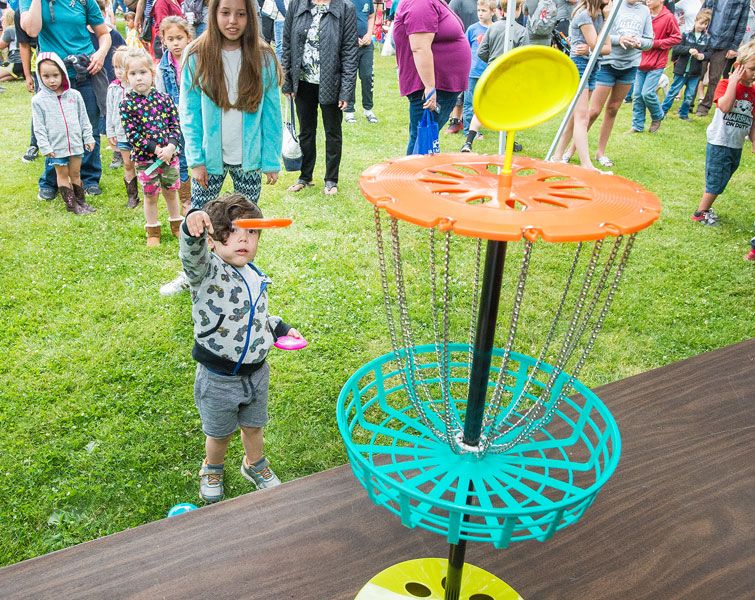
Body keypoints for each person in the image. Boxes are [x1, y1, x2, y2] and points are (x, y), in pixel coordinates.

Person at [179, 194, 303, 503]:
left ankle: (254, 464)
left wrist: (281, 329)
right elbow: (192, 258)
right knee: (219, 432)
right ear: (213, 238)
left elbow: (259, 316)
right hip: (218, 377)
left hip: (256, 373)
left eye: (251, 231)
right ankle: (213, 467)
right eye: (233, 231)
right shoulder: (207, 273)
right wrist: (191, 226)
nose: (243, 239)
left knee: (253, 426)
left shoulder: (256, 275)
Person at [160, 0, 282, 295]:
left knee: (245, 220)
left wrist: (270, 159)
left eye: (240, 14)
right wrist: (197, 160)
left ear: (250, 17)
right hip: (209, 159)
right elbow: (188, 112)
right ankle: (193, 273)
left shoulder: (263, 56)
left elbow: (272, 111)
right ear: (212, 13)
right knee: (198, 217)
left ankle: (241, 275)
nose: (232, 21)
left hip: (249, 159)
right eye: (225, 12)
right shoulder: (196, 54)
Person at [20, 0, 111, 199]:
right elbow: (32, 30)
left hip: (85, 71)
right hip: (51, 74)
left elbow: (104, 34)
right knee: (54, 130)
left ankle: (89, 179)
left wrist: (101, 54)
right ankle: (51, 181)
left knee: (89, 127)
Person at [281, 0, 358, 196]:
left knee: (333, 132)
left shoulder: (345, 7)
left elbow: (349, 51)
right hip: (302, 80)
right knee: (306, 131)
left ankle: (331, 180)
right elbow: (287, 42)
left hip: (331, 81)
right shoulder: (297, 4)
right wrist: (287, 80)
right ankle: (305, 177)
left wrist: (346, 90)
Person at [564, 0, 653, 166]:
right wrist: (620, 39)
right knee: (592, 111)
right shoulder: (610, 7)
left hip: (630, 64)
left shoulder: (644, 11)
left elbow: (650, 40)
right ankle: (570, 150)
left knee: (613, 109)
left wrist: (640, 42)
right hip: (606, 63)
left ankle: (600, 153)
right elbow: (599, 36)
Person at [120, 47, 183, 246]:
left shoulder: (164, 100)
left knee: (171, 192)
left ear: (152, 74)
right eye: (133, 74)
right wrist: (156, 150)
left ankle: (176, 226)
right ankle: (153, 230)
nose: (139, 78)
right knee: (150, 195)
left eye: (143, 72)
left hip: (170, 158)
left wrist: (171, 147)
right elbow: (133, 135)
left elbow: (175, 125)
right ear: (126, 77)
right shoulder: (127, 104)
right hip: (146, 161)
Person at [392, 0, 471, 155]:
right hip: (431, 86)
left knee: (425, 138)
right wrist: (430, 88)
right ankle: (414, 177)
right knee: (422, 138)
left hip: (440, 84)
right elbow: (420, 48)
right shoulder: (420, 3)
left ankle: (420, 175)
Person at [691, 38, 754, 225]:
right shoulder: (726, 84)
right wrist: (734, 81)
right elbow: (725, 106)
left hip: (736, 144)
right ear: (738, 66)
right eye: (752, 69)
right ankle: (700, 212)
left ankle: (706, 208)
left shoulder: (753, 91)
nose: (754, 74)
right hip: (720, 141)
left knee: (724, 177)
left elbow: (753, 120)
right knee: (717, 180)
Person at [32, 52, 96, 214]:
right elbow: (38, 127)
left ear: (63, 73)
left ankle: (80, 201)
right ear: (39, 76)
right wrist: (45, 147)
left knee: (75, 173)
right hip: (56, 146)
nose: (52, 80)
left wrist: (87, 136)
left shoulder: (74, 96)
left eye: (55, 75)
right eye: (46, 76)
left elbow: (83, 118)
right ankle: (71, 204)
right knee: (62, 174)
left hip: (75, 142)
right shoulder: (38, 100)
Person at [552, 0, 612, 170]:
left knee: (575, 117)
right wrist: (594, 45)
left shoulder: (600, 14)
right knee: (582, 117)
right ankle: (586, 165)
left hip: (593, 66)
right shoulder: (584, 15)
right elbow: (599, 45)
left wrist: (592, 48)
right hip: (579, 66)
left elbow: (608, 49)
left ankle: (556, 156)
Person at [462, 0, 528, 153]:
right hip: (510, 76)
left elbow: (481, 52)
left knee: (481, 107)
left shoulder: (492, 28)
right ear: (517, 9)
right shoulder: (522, 31)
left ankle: (468, 142)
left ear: (501, 10)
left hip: (491, 73)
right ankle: (508, 142)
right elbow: (524, 58)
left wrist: (492, 62)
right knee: (509, 110)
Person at [156, 15, 192, 212]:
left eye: (179, 38)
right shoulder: (162, 67)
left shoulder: (195, 58)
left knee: (200, 154)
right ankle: (186, 199)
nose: (176, 43)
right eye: (171, 39)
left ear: (188, 37)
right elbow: (161, 96)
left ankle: (204, 193)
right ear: (164, 40)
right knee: (183, 157)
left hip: (195, 116)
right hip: (175, 120)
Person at [630, 0, 680, 133]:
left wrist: (655, 43)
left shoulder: (668, 17)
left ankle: (658, 115)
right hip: (640, 59)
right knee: (637, 95)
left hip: (657, 62)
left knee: (647, 93)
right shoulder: (643, 14)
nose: (648, 1)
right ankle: (637, 126)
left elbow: (676, 38)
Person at [696, 0, 749, 116]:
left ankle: (704, 107)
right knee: (697, 73)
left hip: (724, 43)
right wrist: (697, 34)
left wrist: (734, 47)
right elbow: (701, 13)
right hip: (705, 39)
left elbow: (742, 24)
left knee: (714, 78)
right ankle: (687, 104)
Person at [106, 46, 140, 209]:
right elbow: (110, 110)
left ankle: (149, 191)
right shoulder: (112, 88)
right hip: (122, 134)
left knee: (143, 164)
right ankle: (132, 196)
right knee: (128, 164)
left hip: (139, 135)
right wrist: (110, 132)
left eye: (122, 67)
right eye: (115, 67)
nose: (118, 71)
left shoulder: (137, 87)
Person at [661, 8, 711, 119]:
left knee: (689, 95)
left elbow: (709, 53)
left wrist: (702, 56)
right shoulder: (685, 34)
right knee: (673, 92)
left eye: (705, 24)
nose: (702, 26)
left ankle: (683, 114)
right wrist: (688, 50)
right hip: (681, 70)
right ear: (695, 21)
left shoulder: (707, 39)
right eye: (701, 23)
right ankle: (662, 112)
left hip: (695, 72)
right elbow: (676, 48)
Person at [459, 0, 495, 144]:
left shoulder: (496, 29)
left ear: (492, 12)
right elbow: (465, 48)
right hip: (473, 72)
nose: (480, 13)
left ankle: (485, 124)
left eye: (484, 11)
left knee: (486, 102)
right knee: (469, 102)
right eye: (479, 10)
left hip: (489, 72)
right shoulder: (473, 29)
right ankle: (469, 130)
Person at [343, 0, 378, 124]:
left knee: (367, 76)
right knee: (350, 78)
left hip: (366, 45)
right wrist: (352, 37)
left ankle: (368, 109)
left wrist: (369, 34)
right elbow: (340, 21)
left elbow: (371, 16)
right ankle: (349, 111)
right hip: (348, 46)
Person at [0, 9, 24, 83]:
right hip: (22, 64)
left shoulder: (9, 30)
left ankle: (15, 74)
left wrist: (4, 29)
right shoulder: (19, 28)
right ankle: (17, 74)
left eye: (3, 19)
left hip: (15, 63)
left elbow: (1, 46)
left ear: (7, 19)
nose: (1, 20)